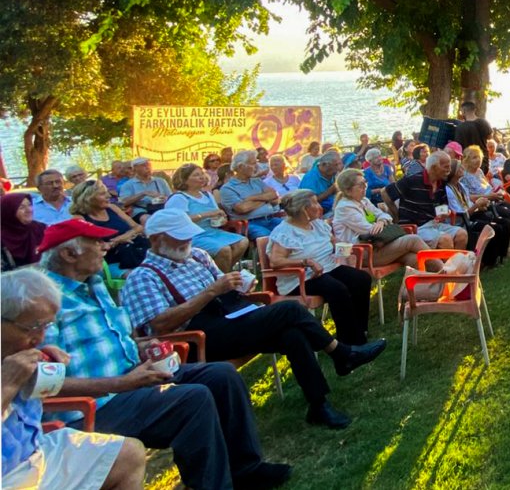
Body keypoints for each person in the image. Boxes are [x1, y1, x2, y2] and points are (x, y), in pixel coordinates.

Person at [35, 219, 293, 490]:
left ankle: (246, 469)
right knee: (192, 398)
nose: (105, 247)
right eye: (96, 243)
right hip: (96, 404)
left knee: (221, 375)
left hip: (132, 378)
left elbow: (113, 339)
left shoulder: (94, 285)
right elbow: (43, 385)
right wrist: (121, 384)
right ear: (67, 254)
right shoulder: (45, 302)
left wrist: (140, 347)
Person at [120, 210, 384, 429]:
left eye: (188, 235)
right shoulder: (143, 277)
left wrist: (238, 284)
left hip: (231, 315)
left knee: (292, 334)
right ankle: (341, 353)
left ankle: (319, 405)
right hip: (199, 339)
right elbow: (160, 326)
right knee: (289, 311)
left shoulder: (197, 255)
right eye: (180, 238)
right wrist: (211, 291)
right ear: (156, 240)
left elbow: (224, 289)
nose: (187, 241)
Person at [2, 268, 147, 490]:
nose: (40, 338)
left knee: (129, 454)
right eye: (32, 327)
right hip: (7, 475)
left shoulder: (15, 353)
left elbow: (45, 394)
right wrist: (7, 385)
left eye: (46, 326)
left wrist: (47, 370)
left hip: (35, 453)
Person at [269, 191, 379, 346]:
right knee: (337, 289)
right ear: (303, 209)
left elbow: (334, 242)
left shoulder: (317, 224)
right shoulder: (285, 232)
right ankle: (349, 342)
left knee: (361, 279)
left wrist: (342, 250)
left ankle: (360, 330)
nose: (319, 207)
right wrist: (306, 261)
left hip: (328, 268)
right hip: (302, 278)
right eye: (314, 203)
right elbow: (275, 261)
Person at [331, 169, 429, 268]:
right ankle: (443, 270)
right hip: (360, 253)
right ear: (348, 190)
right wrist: (379, 223)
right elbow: (369, 230)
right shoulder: (344, 208)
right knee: (413, 240)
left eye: (365, 183)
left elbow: (385, 216)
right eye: (360, 185)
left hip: (376, 246)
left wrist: (381, 221)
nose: (365, 187)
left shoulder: (364, 201)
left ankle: (434, 278)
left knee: (413, 258)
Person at [164, 164, 249, 271]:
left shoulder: (207, 195)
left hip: (212, 232)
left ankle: (219, 273)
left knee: (242, 242)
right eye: (196, 175)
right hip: (191, 236)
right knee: (224, 250)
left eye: (202, 174)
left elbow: (216, 214)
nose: (202, 177)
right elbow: (178, 221)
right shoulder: (179, 198)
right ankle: (221, 278)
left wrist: (221, 219)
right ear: (184, 180)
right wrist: (207, 214)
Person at [383, 150, 469, 248]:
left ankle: (457, 263)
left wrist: (444, 212)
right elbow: (385, 193)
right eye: (446, 167)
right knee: (445, 240)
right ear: (433, 168)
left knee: (462, 234)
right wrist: (396, 215)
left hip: (433, 224)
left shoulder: (441, 183)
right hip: (415, 227)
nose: (449, 170)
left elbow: (442, 206)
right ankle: (447, 263)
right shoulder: (413, 180)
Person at [445, 159, 510, 268]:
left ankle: (501, 256)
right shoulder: (448, 190)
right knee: (493, 228)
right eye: (460, 167)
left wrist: (480, 206)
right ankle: (488, 262)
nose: (463, 169)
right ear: (454, 172)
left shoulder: (461, 186)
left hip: (471, 215)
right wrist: (477, 205)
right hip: (462, 221)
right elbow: (462, 213)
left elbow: (467, 205)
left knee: (505, 223)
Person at [72, 180, 149, 274]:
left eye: (107, 192)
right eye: (102, 194)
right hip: (110, 261)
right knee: (139, 275)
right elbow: (91, 248)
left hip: (134, 251)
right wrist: (118, 241)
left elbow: (138, 227)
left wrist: (121, 238)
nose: (108, 196)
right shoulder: (80, 219)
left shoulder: (112, 208)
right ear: (88, 198)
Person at [219, 150, 284, 240]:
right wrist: (266, 199)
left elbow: (274, 195)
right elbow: (243, 209)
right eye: (253, 164)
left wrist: (252, 198)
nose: (256, 167)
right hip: (249, 223)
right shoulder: (228, 188)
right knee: (268, 238)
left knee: (292, 229)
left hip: (270, 219)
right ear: (241, 167)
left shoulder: (256, 181)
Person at [461, 145, 510, 222]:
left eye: (479, 157)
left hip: (493, 199)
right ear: (467, 160)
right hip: (483, 205)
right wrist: (489, 196)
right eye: (474, 158)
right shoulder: (463, 176)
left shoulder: (479, 171)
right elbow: (468, 197)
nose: (478, 160)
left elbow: (487, 187)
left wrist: (497, 191)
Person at [118, 158, 170, 225]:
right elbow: (123, 202)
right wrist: (143, 194)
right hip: (141, 210)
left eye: (149, 165)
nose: (148, 167)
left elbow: (170, 197)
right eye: (144, 165)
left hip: (160, 208)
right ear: (135, 168)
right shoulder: (128, 185)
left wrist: (164, 198)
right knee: (148, 219)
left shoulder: (160, 181)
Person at [1, 193, 46, 270]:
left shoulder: (40, 228)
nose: (29, 210)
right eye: (21, 207)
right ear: (9, 211)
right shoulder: (2, 236)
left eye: (29, 205)